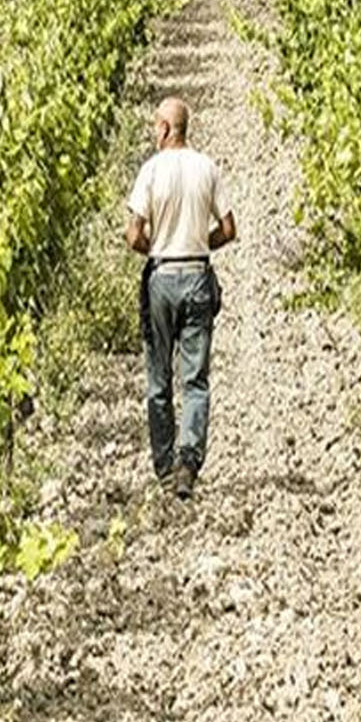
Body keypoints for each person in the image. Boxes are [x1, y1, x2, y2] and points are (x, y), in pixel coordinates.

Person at [125, 95, 237, 499]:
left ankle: (163, 465)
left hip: (162, 277)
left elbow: (134, 234)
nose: (154, 132)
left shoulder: (151, 171)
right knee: (195, 378)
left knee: (159, 377)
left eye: (156, 125)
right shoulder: (207, 168)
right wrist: (198, 242)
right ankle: (188, 464)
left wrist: (159, 246)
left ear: (166, 128)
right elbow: (229, 228)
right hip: (196, 276)